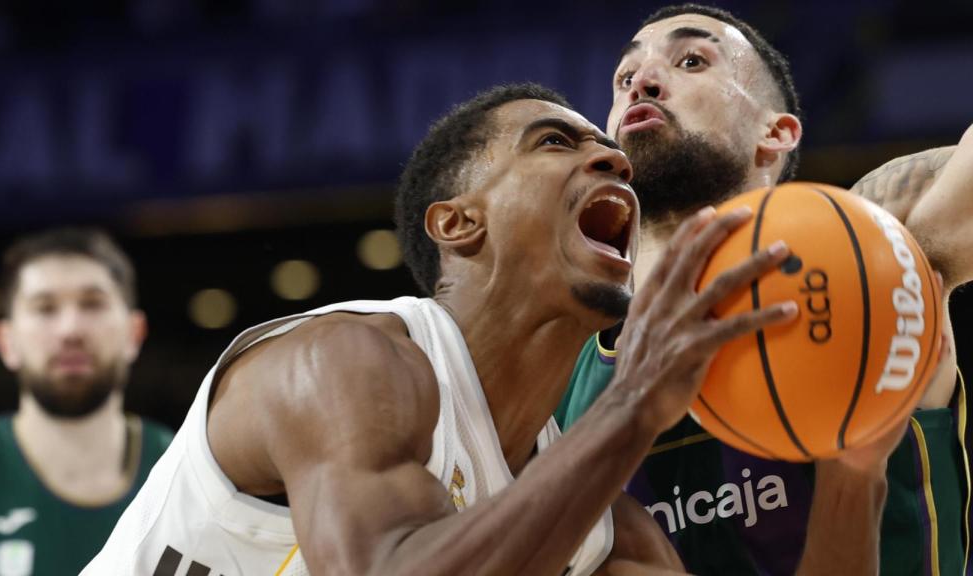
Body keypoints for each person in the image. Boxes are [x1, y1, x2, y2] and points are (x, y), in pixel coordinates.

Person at [86, 83, 905, 576]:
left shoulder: (600, 529)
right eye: (556, 142)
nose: (615, 159)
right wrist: (634, 407)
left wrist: (854, 462)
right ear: (458, 223)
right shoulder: (346, 364)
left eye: (611, 151)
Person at [554, 4, 971, 574]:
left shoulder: (879, 269)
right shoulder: (555, 380)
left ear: (775, 132)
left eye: (691, 60)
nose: (643, 82)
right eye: (624, 79)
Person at [0, 228, 172, 576]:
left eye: (92, 304)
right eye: (45, 308)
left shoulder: (182, 469)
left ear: (134, 333)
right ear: (6, 342)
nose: (70, 329)